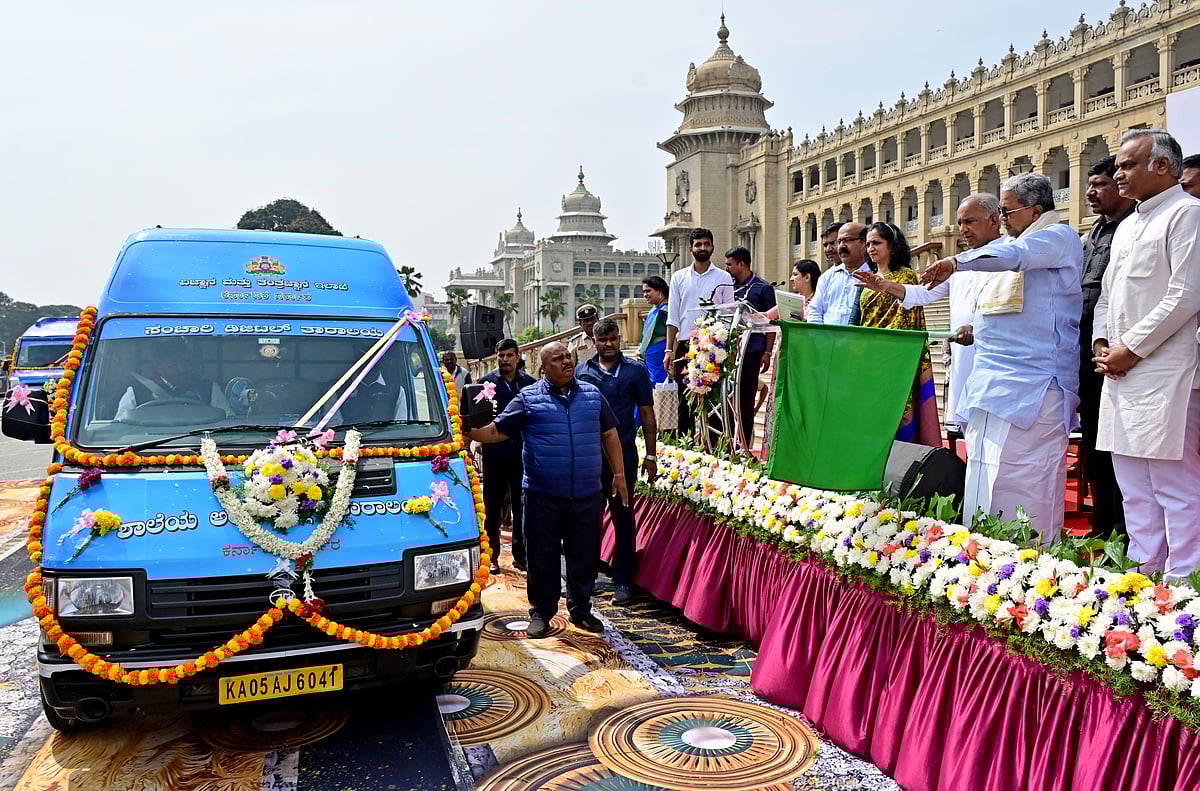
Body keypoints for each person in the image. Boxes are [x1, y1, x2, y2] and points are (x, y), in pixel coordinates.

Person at [922, 172, 1083, 543]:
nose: (1002, 220)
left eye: (1007, 212)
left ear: (1035, 210)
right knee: (982, 472)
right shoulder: (1004, 249)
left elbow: (1019, 256)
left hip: (1037, 385)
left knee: (1024, 481)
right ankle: (982, 560)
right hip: (992, 381)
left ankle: (1028, 565)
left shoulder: (1056, 238)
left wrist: (958, 262)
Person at [1093, 129, 1200, 579]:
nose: (1118, 173)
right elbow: (1106, 295)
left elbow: (1185, 293)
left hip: (1166, 372)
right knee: (1133, 487)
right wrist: (1102, 343)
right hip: (1119, 372)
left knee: (1175, 486)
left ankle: (1185, 582)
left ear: (1161, 166)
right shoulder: (1131, 224)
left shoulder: (1187, 213)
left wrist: (1130, 350)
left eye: (1127, 164)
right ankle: (1142, 573)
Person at [469, 342, 628, 636]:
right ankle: (542, 612)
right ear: (544, 368)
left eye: (568, 357)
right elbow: (498, 431)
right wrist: (467, 431)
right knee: (542, 556)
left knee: (583, 556)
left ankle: (581, 609)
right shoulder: (527, 398)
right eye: (558, 359)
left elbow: (609, 434)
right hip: (543, 495)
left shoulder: (593, 395)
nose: (566, 362)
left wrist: (618, 474)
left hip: (586, 494)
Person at [855, 194, 1000, 444]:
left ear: (995, 221)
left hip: (996, 358)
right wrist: (885, 285)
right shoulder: (960, 264)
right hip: (963, 357)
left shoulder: (1010, 256)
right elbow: (923, 294)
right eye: (960, 223)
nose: (962, 230)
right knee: (971, 434)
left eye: (969, 222)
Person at [576, 318, 657, 606]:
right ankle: (587, 578)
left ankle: (623, 580)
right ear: (594, 342)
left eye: (613, 339)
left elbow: (647, 414)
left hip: (623, 457)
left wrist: (651, 454)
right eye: (603, 340)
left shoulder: (635, 371)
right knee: (587, 520)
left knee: (623, 518)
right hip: (589, 458)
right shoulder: (582, 372)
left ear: (619, 339)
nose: (608, 344)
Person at [1080, 156, 1135, 540]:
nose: (1090, 192)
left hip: (1125, 351)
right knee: (1096, 441)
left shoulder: (1134, 227)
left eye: (1100, 184)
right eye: (1091, 184)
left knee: (1125, 448)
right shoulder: (1093, 233)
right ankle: (1104, 526)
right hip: (1089, 349)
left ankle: (1126, 529)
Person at [851, 223, 939, 446]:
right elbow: (861, 319)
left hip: (895, 357)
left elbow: (904, 318)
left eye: (877, 243)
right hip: (868, 358)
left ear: (892, 246)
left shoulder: (905, 276)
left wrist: (884, 350)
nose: (871, 248)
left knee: (897, 414)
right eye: (868, 244)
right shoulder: (867, 278)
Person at [664, 228, 733, 435]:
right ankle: (685, 448)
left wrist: (725, 345)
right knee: (685, 400)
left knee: (711, 401)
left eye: (706, 244)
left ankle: (712, 448)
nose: (702, 248)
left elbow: (728, 315)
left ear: (712, 247)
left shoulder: (724, 277)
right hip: (686, 345)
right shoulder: (678, 277)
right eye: (698, 244)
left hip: (713, 347)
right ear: (691, 248)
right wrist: (669, 350)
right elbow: (673, 317)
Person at [478, 338, 536, 574]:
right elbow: (478, 418)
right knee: (493, 507)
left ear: (518, 356)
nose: (505, 360)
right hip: (495, 455)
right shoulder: (485, 383)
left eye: (509, 355)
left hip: (523, 454)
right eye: (500, 356)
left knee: (523, 507)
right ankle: (491, 556)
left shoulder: (530, 384)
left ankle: (521, 555)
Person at [759, 259, 821, 460]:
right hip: (787, 357)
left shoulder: (818, 302)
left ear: (807, 277)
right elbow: (763, 317)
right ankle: (780, 453)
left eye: (795, 274)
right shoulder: (789, 301)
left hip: (809, 361)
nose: (792, 279)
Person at [724, 246, 776, 448]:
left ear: (742, 264)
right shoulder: (728, 288)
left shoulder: (762, 288)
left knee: (745, 399)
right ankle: (726, 441)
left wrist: (767, 352)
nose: (727, 268)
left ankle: (743, 444)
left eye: (730, 264)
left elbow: (771, 323)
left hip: (752, 350)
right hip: (729, 352)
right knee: (728, 398)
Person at [115, 341, 232, 420]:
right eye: (174, 365)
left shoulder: (209, 389)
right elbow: (121, 427)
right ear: (158, 366)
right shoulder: (136, 392)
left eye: (186, 364)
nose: (183, 369)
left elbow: (228, 420)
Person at [806, 222, 869, 325]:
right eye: (839, 241)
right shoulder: (827, 277)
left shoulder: (875, 276)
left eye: (847, 240)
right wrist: (818, 337)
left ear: (864, 243)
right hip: (826, 339)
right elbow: (815, 311)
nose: (841, 246)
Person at [638, 276, 670, 385]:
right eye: (644, 292)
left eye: (648, 291)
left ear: (660, 291)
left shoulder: (666, 311)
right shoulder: (653, 311)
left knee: (662, 391)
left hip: (661, 358)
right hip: (650, 359)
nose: (645, 295)